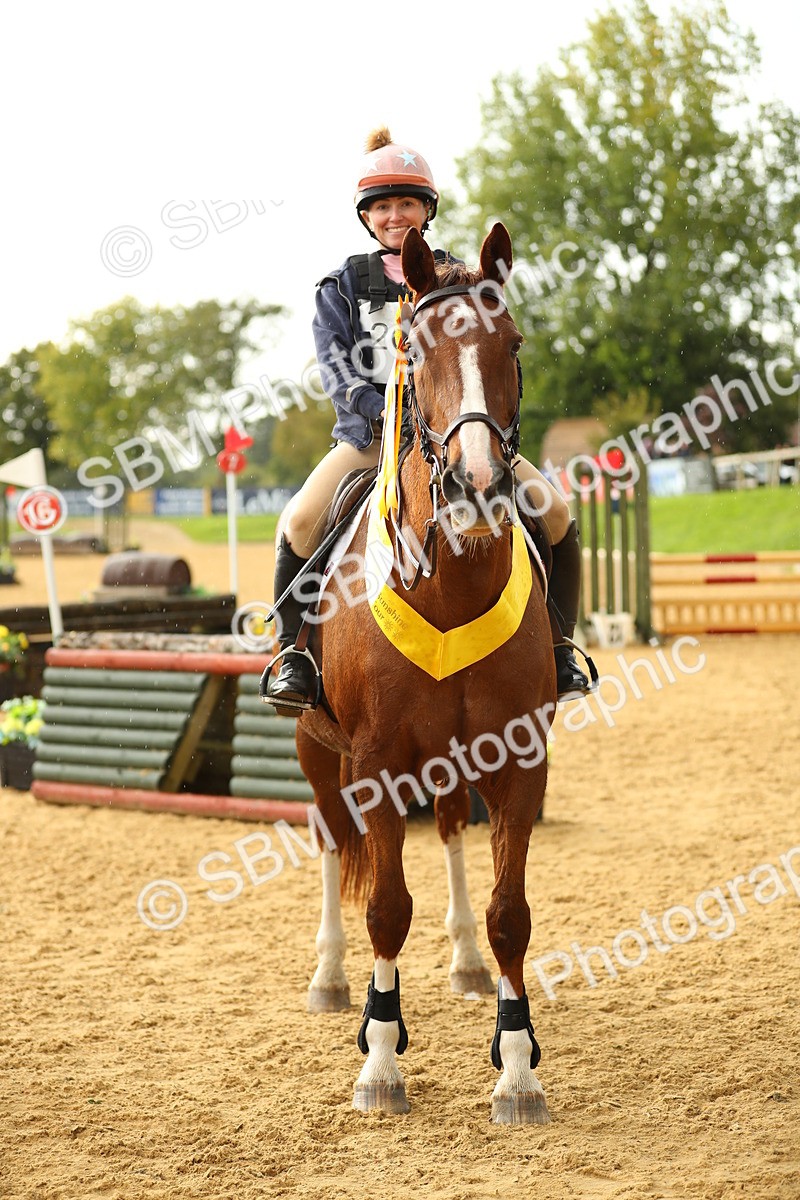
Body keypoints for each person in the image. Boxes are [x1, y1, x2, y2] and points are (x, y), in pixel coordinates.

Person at [263, 127, 591, 711]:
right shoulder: (339, 287)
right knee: (299, 520)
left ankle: (562, 646)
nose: (396, 216)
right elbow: (339, 376)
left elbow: (489, 357)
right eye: (383, 206)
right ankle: (293, 655)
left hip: (459, 438)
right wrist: (388, 411)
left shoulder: (460, 279)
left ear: (427, 209)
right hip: (372, 439)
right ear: (366, 215)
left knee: (558, 513)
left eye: (407, 203)